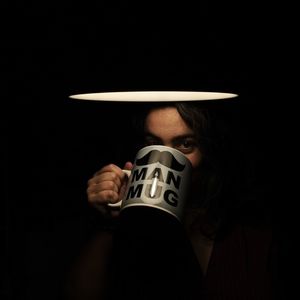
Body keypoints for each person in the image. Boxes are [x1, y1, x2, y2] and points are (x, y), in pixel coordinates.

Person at [65, 100, 282, 300]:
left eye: (185, 144)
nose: (165, 160)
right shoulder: (131, 230)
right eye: (153, 142)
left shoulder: (250, 233)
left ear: (211, 150)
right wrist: (111, 219)